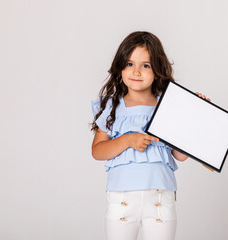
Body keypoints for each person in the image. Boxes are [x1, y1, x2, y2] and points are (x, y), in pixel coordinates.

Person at [90, 31, 210, 240]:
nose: (136, 71)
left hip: (160, 199)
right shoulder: (112, 106)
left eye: (145, 65)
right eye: (129, 64)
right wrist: (127, 140)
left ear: (157, 69)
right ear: (120, 66)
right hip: (122, 200)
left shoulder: (168, 107)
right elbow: (98, 151)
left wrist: (196, 118)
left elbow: (179, 155)